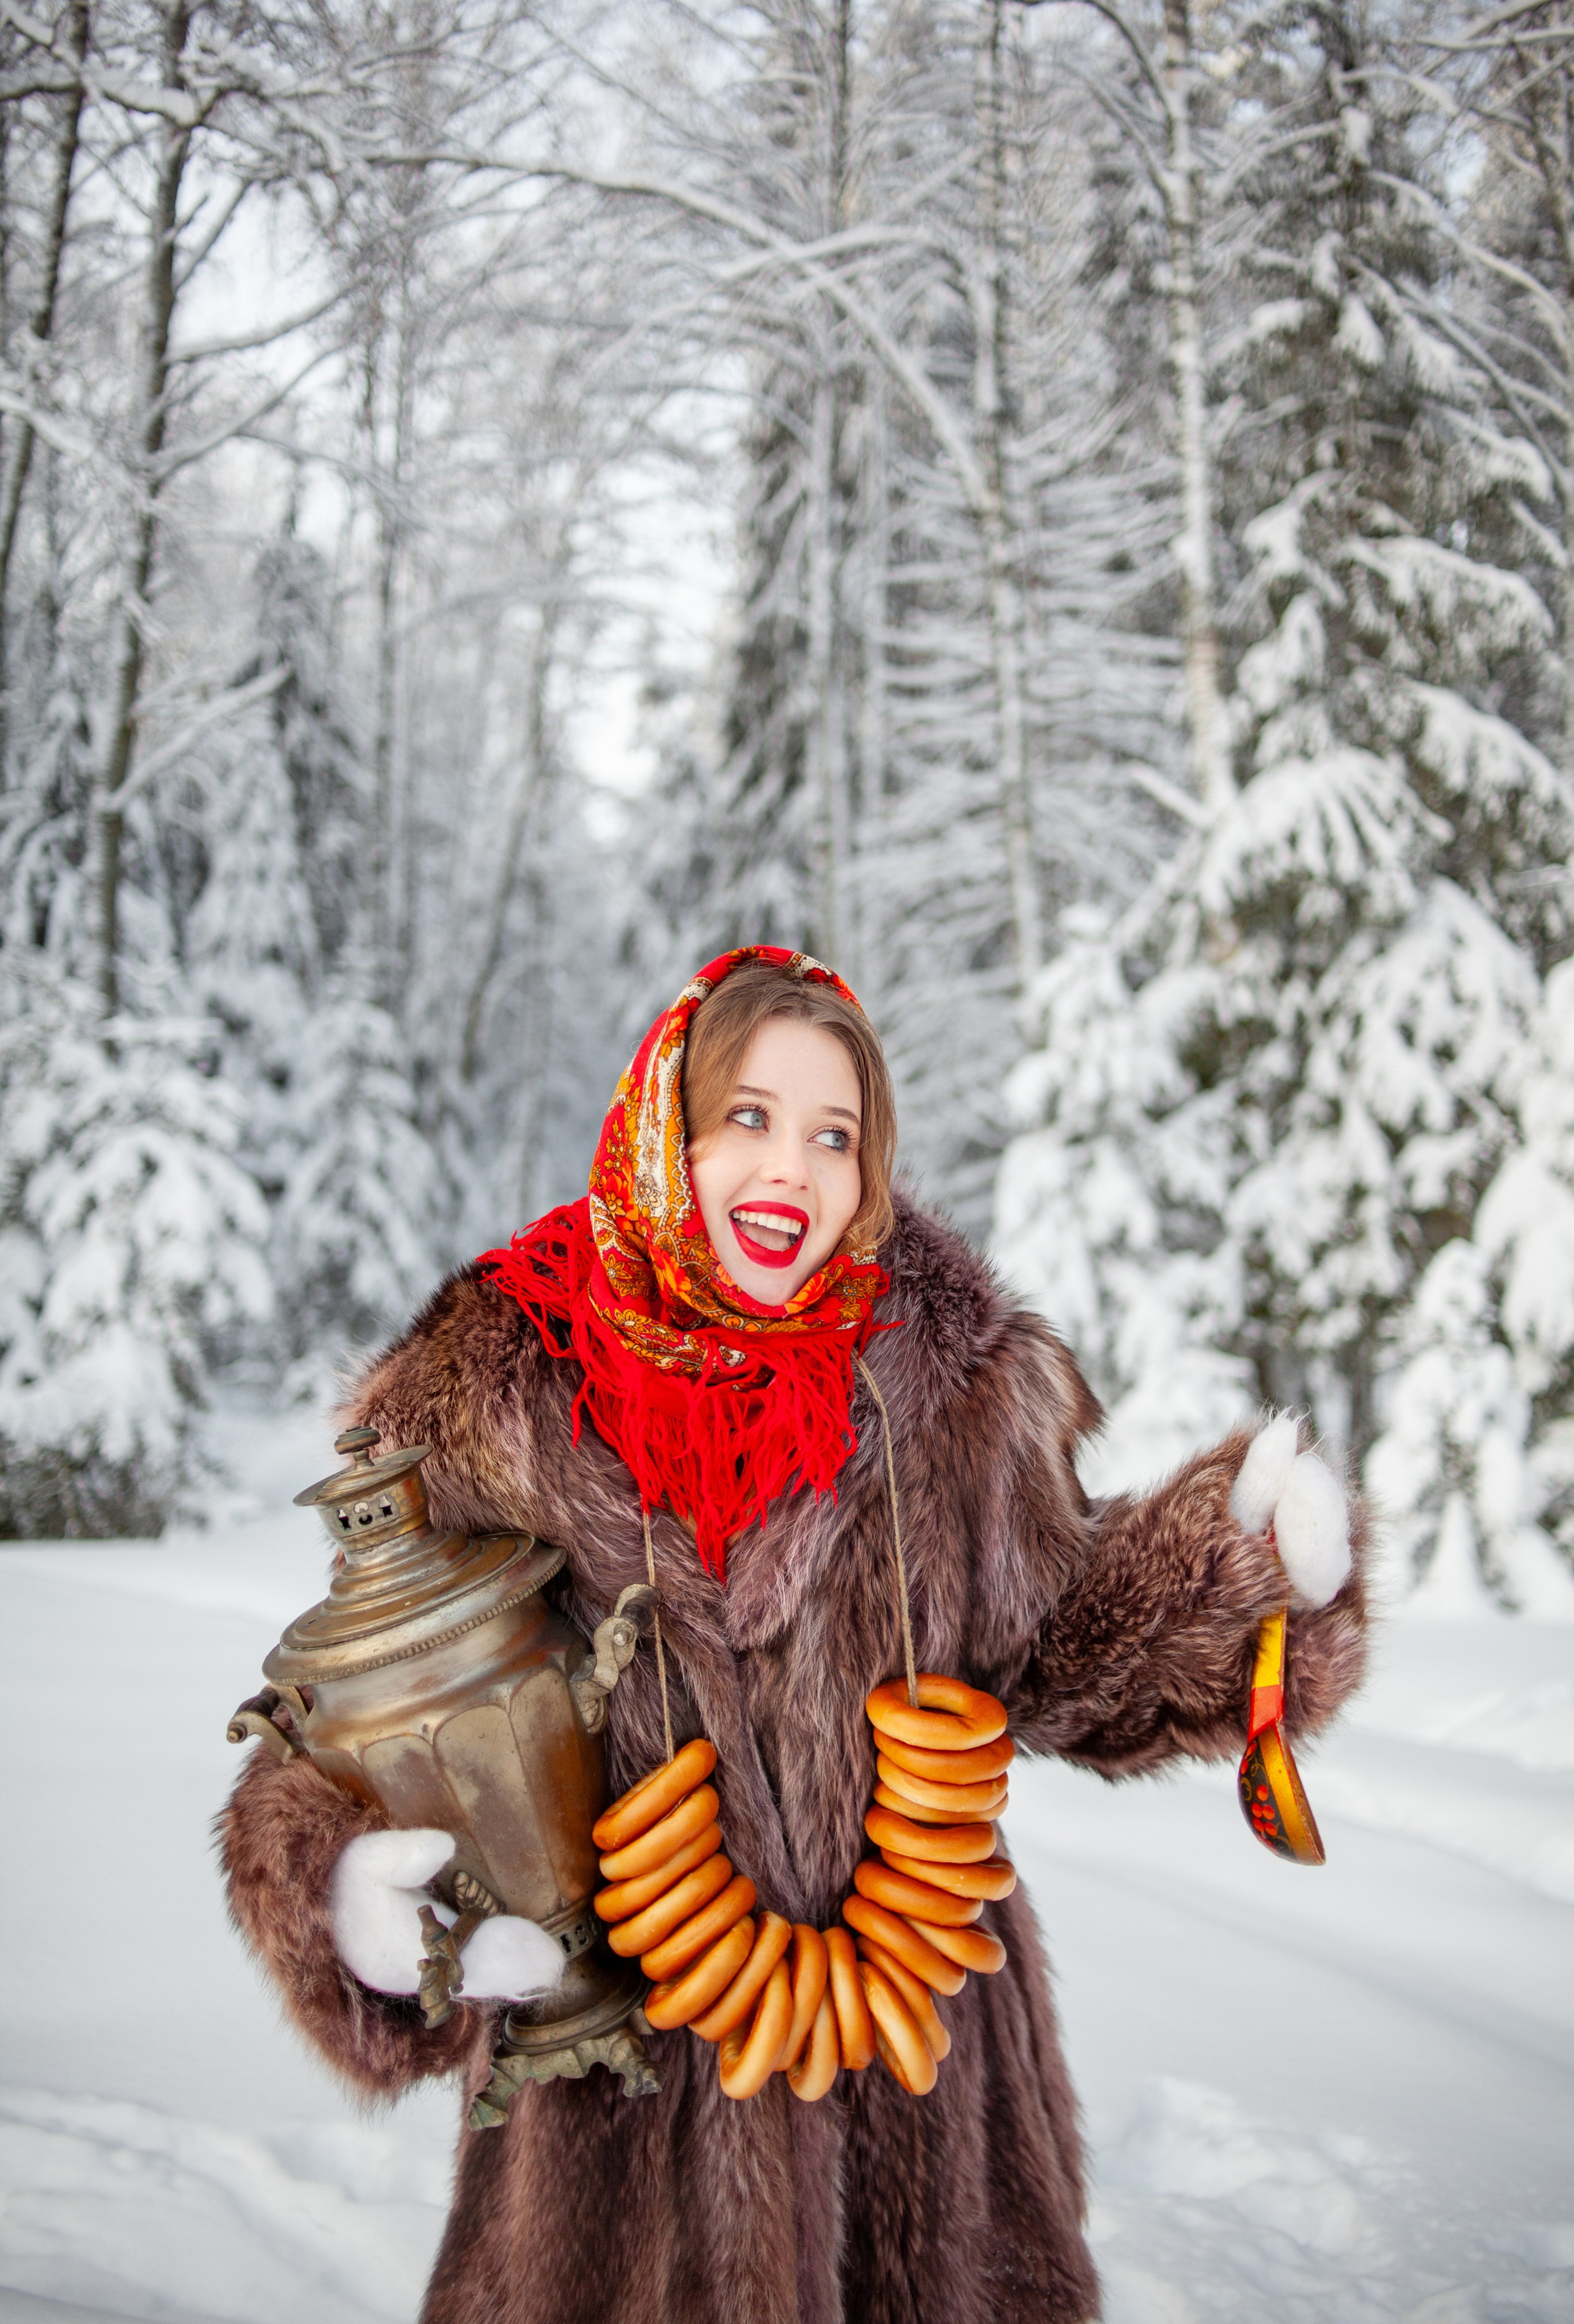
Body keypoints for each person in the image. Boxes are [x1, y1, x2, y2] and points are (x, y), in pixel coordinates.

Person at [221, 944, 1366, 2324]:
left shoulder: (950, 1390)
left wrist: (1229, 1576)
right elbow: (355, 1721)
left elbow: (1056, 1646)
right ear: (667, 1129)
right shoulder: (497, 1405)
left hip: (923, 2134)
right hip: (611, 2163)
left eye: (836, 1136)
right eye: (749, 1120)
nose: (793, 1173)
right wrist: (337, 1893)